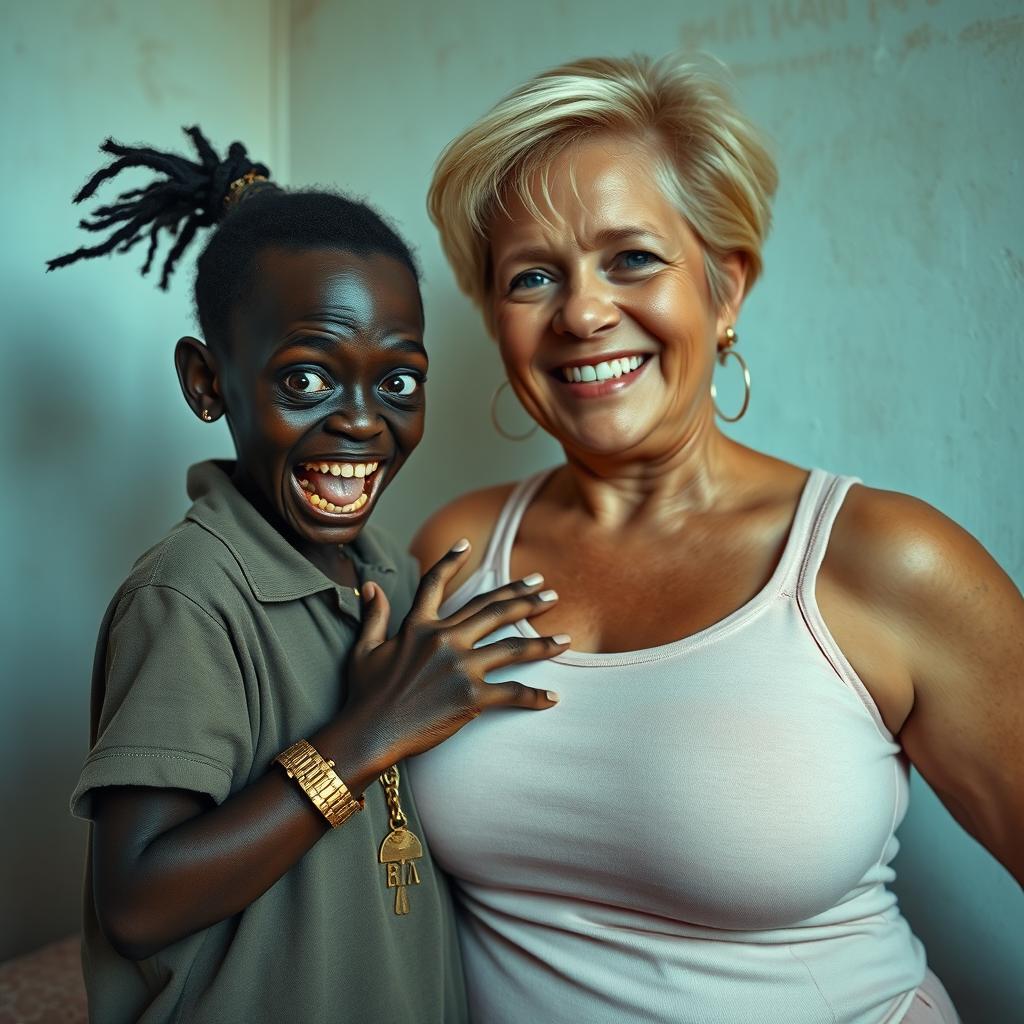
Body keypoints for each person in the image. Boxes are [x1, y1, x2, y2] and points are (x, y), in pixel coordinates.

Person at [408, 55, 1023, 1024]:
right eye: (532, 276)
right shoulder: (455, 545)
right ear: (496, 321)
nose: (580, 312)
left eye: (632, 258)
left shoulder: (888, 559)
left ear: (724, 288)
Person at [51, 127, 567, 1024]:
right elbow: (138, 903)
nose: (363, 423)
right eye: (307, 381)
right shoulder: (191, 596)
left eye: (398, 384)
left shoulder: (387, 579)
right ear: (209, 383)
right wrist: (364, 735)